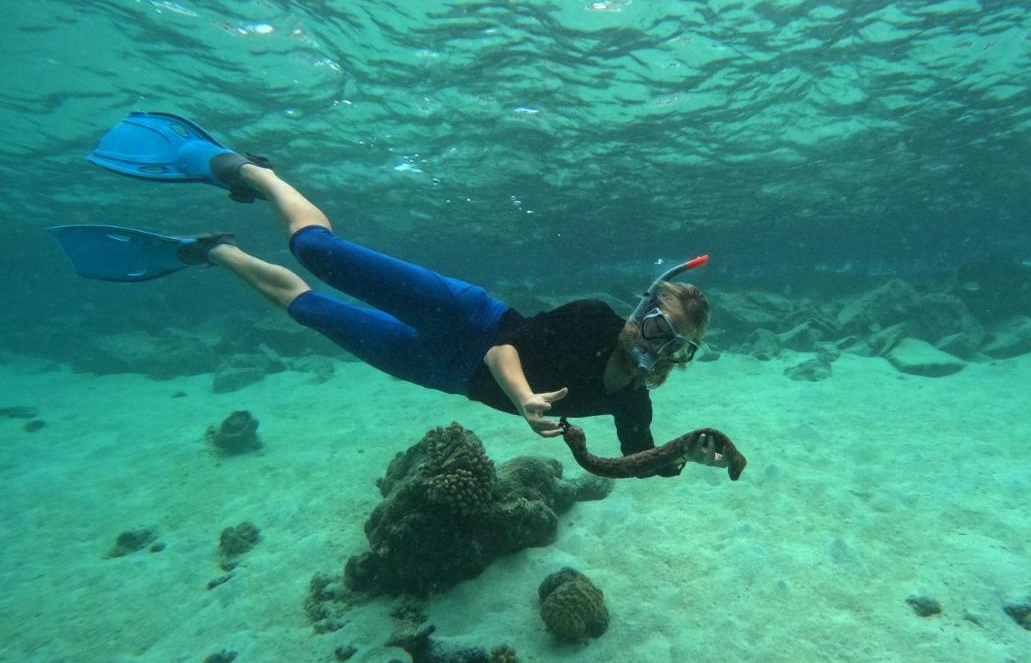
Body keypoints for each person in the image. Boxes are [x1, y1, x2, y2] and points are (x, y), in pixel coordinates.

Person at [56, 112, 731, 476]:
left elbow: (634, 462)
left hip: (439, 372)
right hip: (467, 318)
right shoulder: (590, 319)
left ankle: (217, 251)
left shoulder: (631, 400)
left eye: (677, 344)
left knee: (312, 311)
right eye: (657, 322)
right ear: (641, 308)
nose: (656, 344)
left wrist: (685, 454)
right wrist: (525, 398)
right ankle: (255, 175)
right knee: (317, 252)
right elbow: (503, 350)